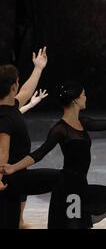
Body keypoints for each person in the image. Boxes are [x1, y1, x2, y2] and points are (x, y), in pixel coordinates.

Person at [1, 82, 106, 229]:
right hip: (68, 190)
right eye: (83, 94)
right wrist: (14, 167)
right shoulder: (60, 129)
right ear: (75, 100)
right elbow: (38, 154)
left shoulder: (83, 122)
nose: (86, 97)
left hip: (80, 185)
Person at [0, 47, 61, 229]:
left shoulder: (10, 107)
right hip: (9, 178)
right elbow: (2, 151)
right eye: (18, 82)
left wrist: (38, 68)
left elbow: (26, 92)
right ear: (13, 87)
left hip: (15, 176)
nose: (20, 86)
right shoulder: (4, 117)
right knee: (62, 178)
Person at [18, 89, 48, 229]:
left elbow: (15, 113)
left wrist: (31, 104)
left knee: (21, 187)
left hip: (15, 159)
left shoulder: (6, 113)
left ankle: (19, 221)